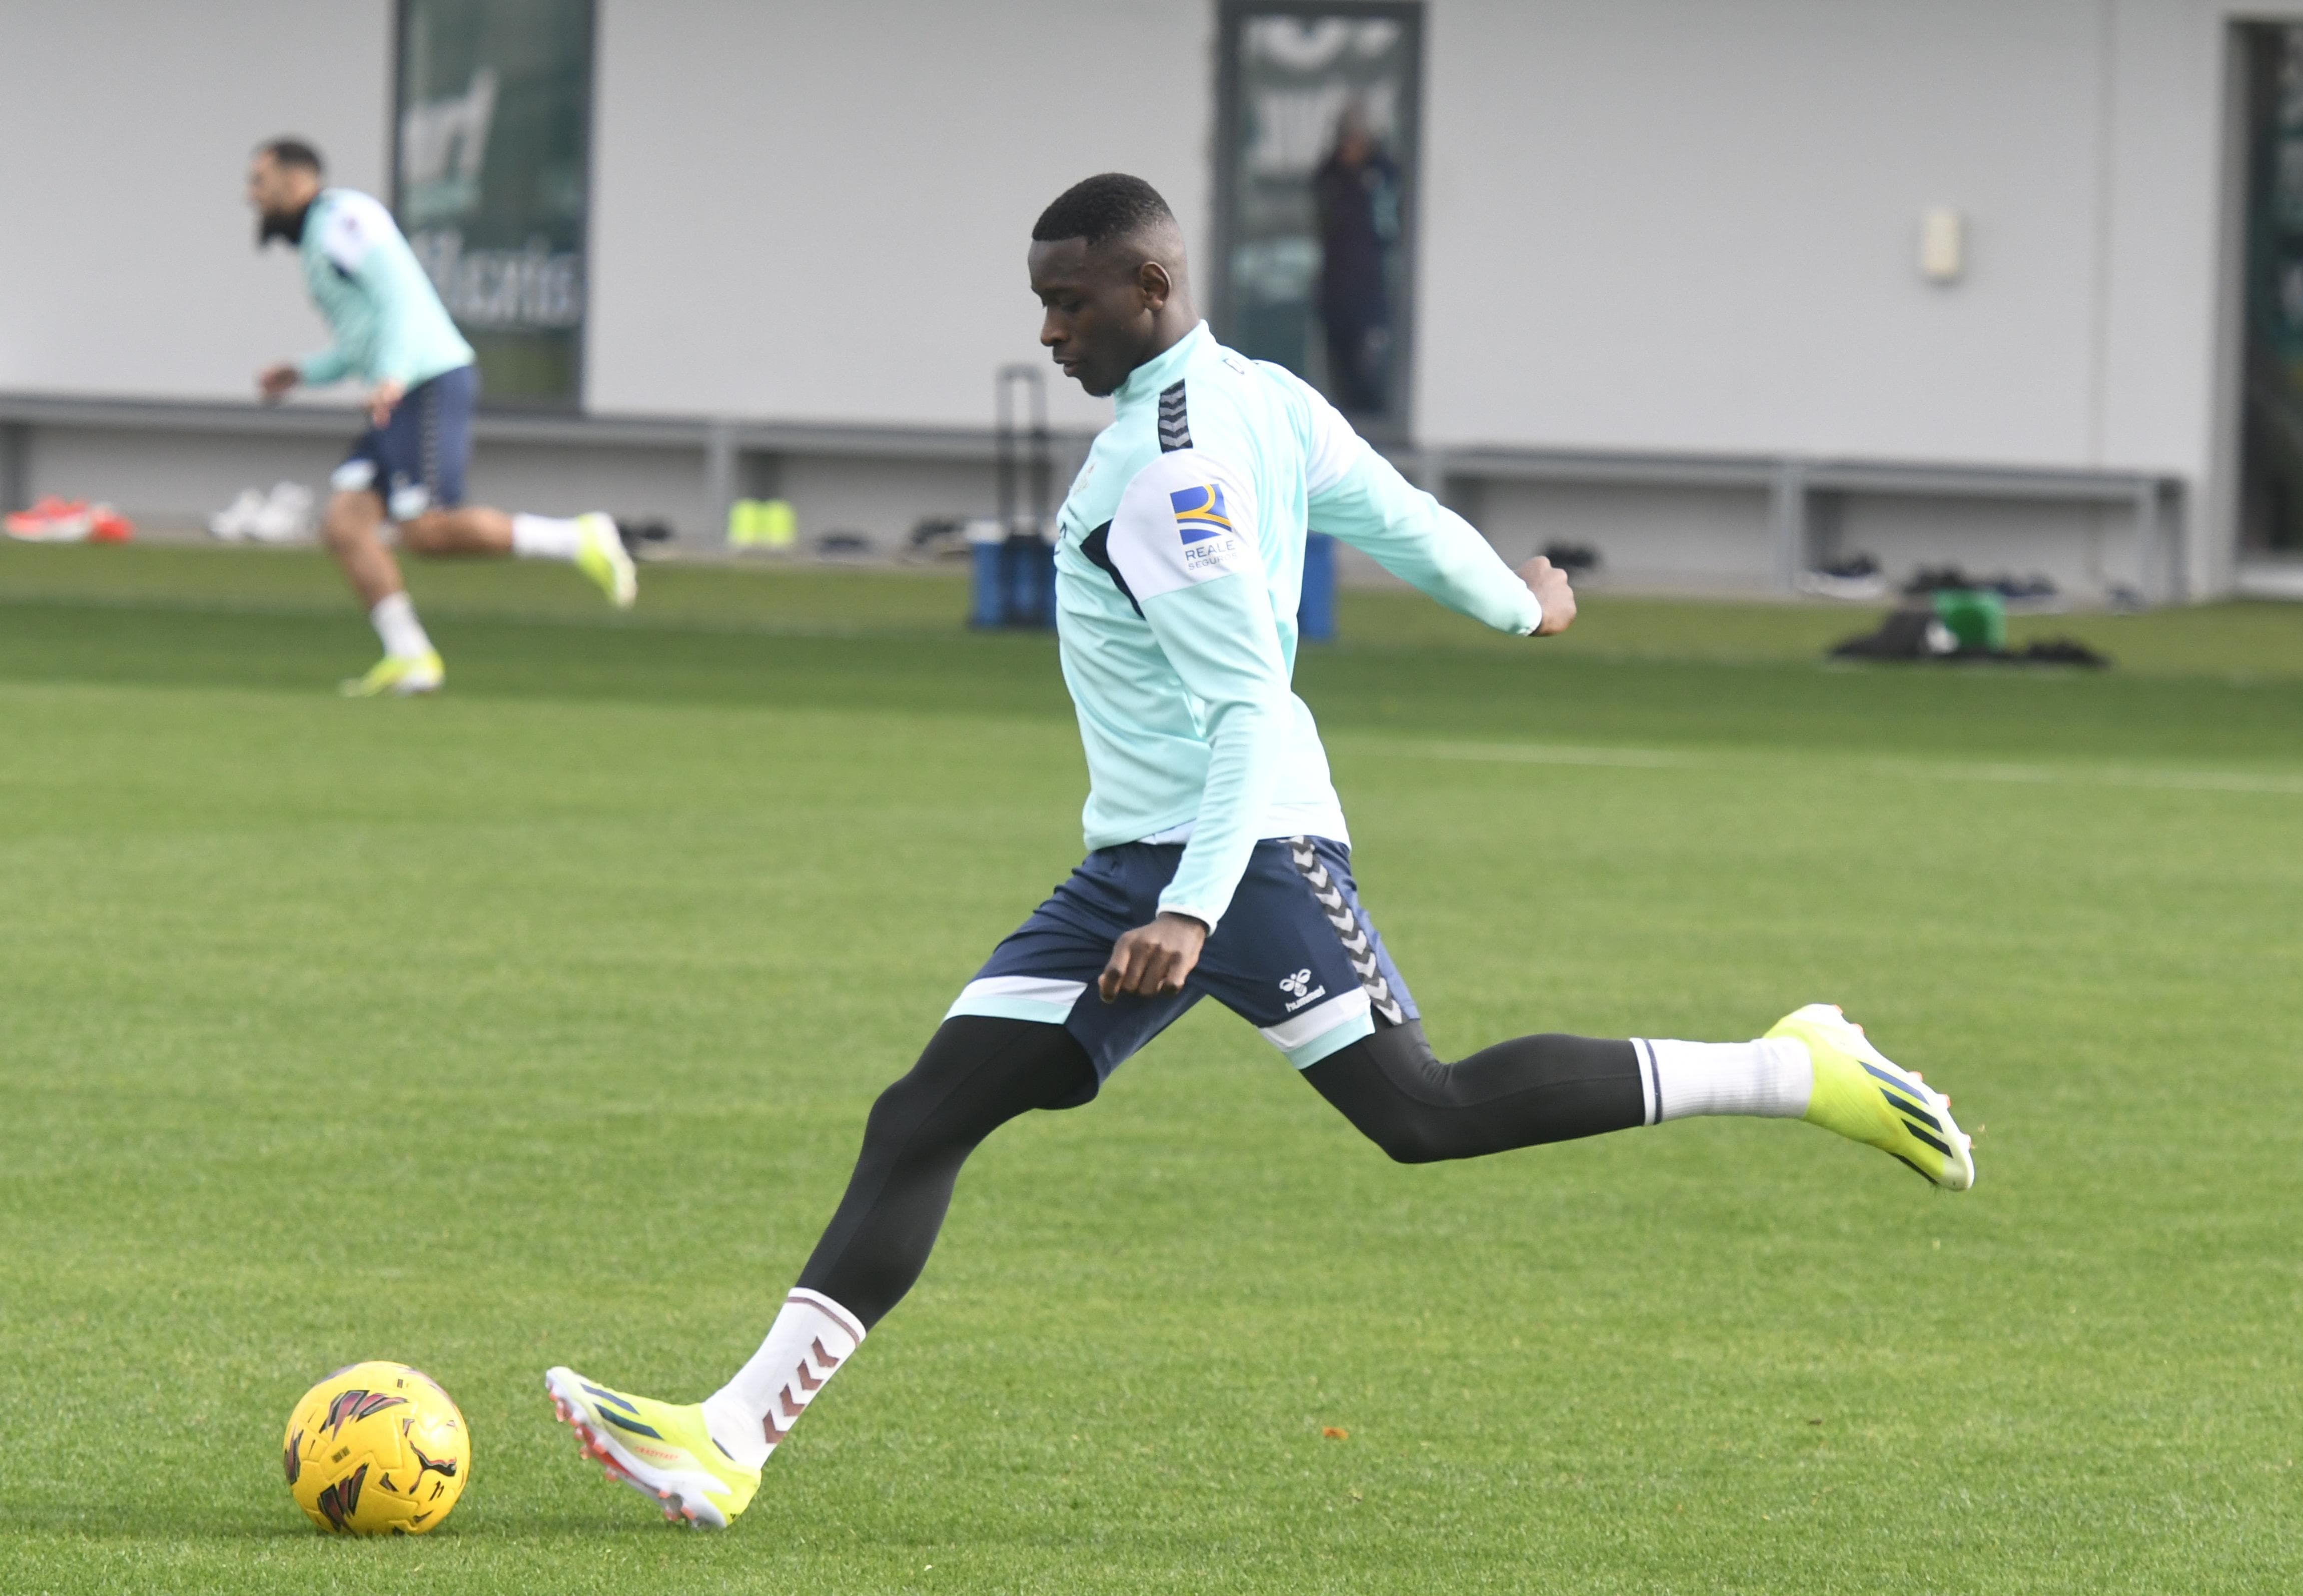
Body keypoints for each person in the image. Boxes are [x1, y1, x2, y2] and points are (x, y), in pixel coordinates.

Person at [543, 174, 1975, 1529]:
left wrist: (1190, 903)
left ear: (1152, 283)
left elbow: (1249, 705)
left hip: (1239, 855)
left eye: (1070, 302)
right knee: (923, 1114)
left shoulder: (1176, 479)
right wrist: (1519, 606)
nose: (1046, 330)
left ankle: (1798, 1067)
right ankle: (729, 1440)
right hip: (1148, 863)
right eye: (1039, 300)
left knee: (1427, 1108)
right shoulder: (1261, 397)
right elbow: (1401, 518)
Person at [246, 137, 637, 697]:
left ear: (296, 178)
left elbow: (402, 298)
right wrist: (303, 372)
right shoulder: (316, 240)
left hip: (425, 382)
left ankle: (578, 539)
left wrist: (396, 377)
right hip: (399, 386)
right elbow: (363, 337)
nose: (251, 195)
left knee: (428, 530)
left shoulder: (344, 219)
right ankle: (410, 656)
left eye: (260, 181)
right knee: (347, 525)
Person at [1312, 104, 1399, 416]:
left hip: (1371, 294)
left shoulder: (1382, 178)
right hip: (1336, 295)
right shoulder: (1331, 178)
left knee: (1370, 372)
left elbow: (1390, 227)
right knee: (1339, 373)